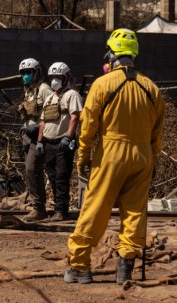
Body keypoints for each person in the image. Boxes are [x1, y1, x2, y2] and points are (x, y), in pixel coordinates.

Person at [65, 29, 165, 284]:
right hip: (143, 155)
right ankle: (125, 269)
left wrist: (83, 157)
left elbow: (88, 127)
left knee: (95, 209)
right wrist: (149, 157)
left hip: (111, 153)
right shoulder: (151, 88)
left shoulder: (102, 84)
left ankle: (80, 266)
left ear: (111, 54)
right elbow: (157, 132)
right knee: (134, 213)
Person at [36, 62, 82, 222]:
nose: (55, 80)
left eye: (58, 77)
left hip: (63, 142)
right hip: (49, 143)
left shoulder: (72, 95)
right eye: (52, 77)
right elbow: (43, 121)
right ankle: (57, 207)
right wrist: (40, 141)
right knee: (53, 176)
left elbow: (75, 116)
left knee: (62, 176)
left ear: (66, 77)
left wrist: (68, 136)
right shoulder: (50, 98)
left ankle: (61, 210)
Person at [17, 58, 53, 221]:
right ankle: (39, 207)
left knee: (32, 169)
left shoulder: (44, 89)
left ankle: (39, 207)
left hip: (39, 136)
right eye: (23, 73)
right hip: (27, 136)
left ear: (36, 72)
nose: (25, 75)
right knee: (32, 172)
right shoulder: (29, 91)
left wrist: (38, 128)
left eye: (28, 72)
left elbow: (52, 112)